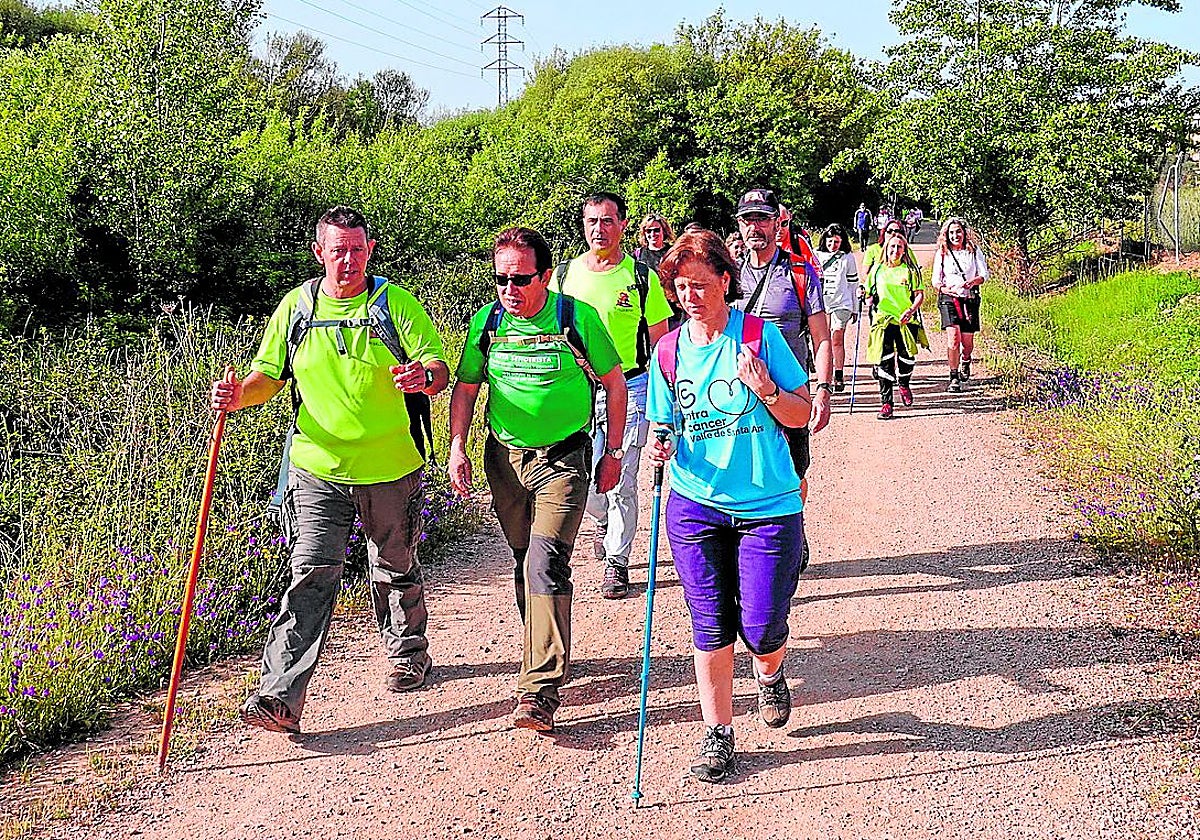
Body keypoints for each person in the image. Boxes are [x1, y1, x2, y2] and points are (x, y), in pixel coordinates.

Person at [210, 206, 450, 734]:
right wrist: (237, 396)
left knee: (393, 561)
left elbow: (438, 367)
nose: (350, 260)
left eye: (358, 250)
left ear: (369, 251)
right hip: (316, 465)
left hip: (390, 465)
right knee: (312, 573)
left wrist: (423, 377)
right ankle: (279, 695)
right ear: (319, 252)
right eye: (339, 250)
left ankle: (408, 651)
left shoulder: (394, 304)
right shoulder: (297, 307)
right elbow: (267, 377)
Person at [645, 229, 812, 783]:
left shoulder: (759, 337)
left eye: (699, 283)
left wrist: (765, 390)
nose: (688, 294)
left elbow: (801, 413)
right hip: (695, 504)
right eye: (679, 285)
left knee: (763, 628)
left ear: (724, 279)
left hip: (769, 503)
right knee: (709, 624)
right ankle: (718, 732)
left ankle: (769, 673)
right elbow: (662, 418)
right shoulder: (668, 349)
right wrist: (659, 440)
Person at [448, 227, 626, 732]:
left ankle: (539, 688)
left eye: (521, 279)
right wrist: (458, 444)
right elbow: (465, 387)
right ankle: (545, 646)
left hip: (565, 457)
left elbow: (614, 384)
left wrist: (612, 452)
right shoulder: (488, 322)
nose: (509, 289)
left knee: (547, 561)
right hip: (504, 458)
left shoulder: (576, 318)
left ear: (546, 276)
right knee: (524, 558)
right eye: (501, 279)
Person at [549, 192, 673, 599]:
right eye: (591, 222)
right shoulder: (564, 277)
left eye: (607, 221)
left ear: (622, 225)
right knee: (580, 477)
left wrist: (663, 403)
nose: (598, 230)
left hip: (631, 386)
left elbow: (660, 344)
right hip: (577, 390)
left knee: (621, 477)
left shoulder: (640, 277)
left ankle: (617, 563)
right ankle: (602, 524)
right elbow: (547, 331)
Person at [731, 187, 832, 498]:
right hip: (739, 394)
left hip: (790, 391)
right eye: (747, 219)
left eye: (763, 218)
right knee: (744, 478)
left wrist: (824, 392)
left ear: (778, 224)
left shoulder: (799, 271)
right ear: (739, 225)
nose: (755, 227)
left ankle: (794, 541)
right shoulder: (728, 274)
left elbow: (822, 338)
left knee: (793, 476)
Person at [862, 232, 928, 419]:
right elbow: (868, 291)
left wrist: (911, 310)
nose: (895, 250)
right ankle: (886, 403)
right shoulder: (877, 270)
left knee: (907, 359)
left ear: (904, 250)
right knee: (885, 361)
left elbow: (919, 295)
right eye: (892, 247)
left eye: (899, 247)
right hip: (883, 321)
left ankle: (904, 383)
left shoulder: (910, 270)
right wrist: (865, 297)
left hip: (906, 321)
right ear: (886, 249)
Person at [933, 216, 990, 392]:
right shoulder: (942, 252)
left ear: (964, 233)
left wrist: (973, 282)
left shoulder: (974, 250)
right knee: (954, 338)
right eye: (951, 232)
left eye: (958, 231)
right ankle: (954, 376)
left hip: (969, 298)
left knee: (967, 342)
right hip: (949, 298)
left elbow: (984, 275)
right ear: (946, 235)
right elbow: (936, 280)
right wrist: (944, 288)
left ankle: (966, 360)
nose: (955, 235)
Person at [814, 224, 860, 392]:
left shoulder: (847, 258)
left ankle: (839, 374)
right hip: (822, 304)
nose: (833, 245)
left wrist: (855, 308)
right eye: (830, 241)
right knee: (823, 340)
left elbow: (853, 283)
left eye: (837, 242)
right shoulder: (816, 255)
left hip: (842, 303)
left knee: (837, 338)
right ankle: (824, 377)